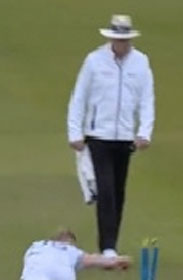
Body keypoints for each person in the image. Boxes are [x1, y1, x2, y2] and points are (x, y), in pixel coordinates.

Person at [67, 15, 155, 256]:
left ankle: (110, 244)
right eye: (118, 40)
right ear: (111, 39)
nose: (121, 44)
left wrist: (144, 132)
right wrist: (75, 132)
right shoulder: (94, 61)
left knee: (117, 192)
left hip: (125, 137)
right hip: (98, 135)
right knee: (105, 189)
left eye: (125, 40)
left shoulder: (141, 62)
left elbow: (146, 100)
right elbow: (79, 97)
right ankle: (107, 247)